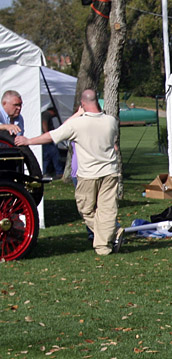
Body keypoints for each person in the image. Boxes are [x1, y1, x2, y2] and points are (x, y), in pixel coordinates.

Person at [16, 89, 122, 255]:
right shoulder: (111, 121)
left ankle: (110, 238)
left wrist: (29, 141)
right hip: (110, 172)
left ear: (83, 104)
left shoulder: (77, 124)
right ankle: (105, 243)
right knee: (107, 209)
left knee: (85, 209)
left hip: (89, 174)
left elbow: (53, 136)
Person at [41, 105, 65, 177]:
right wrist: (47, 134)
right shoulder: (46, 114)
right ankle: (59, 171)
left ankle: (44, 172)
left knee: (46, 157)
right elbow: (44, 123)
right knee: (55, 154)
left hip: (44, 139)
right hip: (48, 138)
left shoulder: (43, 114)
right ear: (52, 111)